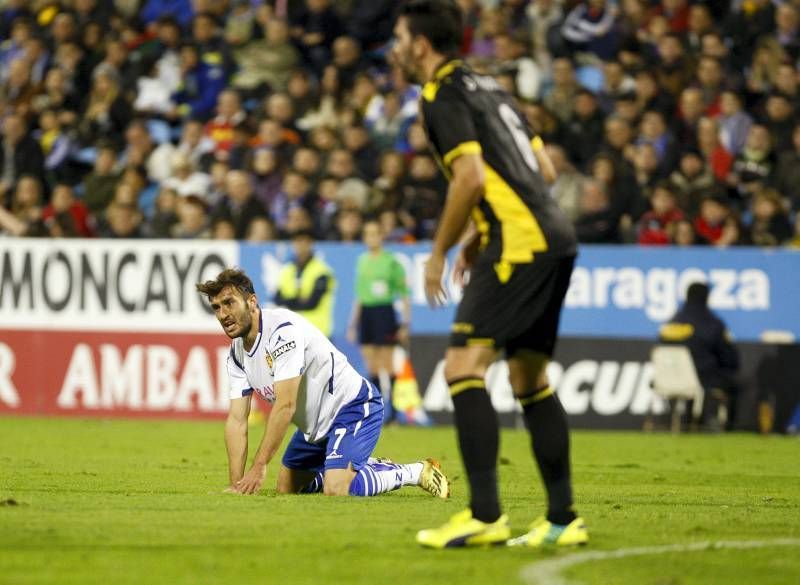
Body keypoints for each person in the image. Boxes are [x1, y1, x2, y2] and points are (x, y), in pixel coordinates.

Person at [392, 0, 586, 549]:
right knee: (528, 378)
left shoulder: (440, 94)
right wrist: (482, 234)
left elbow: (471, 178)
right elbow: (543, 169)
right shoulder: (493, 89)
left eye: (401, 38)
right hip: (554, 238)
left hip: (520, 244)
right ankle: (562, 518)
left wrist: (440, 251)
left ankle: (483, 514)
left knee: (461, 366)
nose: (396, 49)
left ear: (422, 45)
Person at [196, 268, 450, 498]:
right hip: (315, 428)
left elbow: (286, 405)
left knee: (336, 488)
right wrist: (237, 484)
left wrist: (259, 466)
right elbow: (237, 420)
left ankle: (414, 472)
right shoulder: (237, 353)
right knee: (287, 487)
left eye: (229, 303)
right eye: (216, 307)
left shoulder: (281, 331)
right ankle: (353, 465)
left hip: (352, 406)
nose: (223, 314)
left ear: (252, 302)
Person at [347, 219, 411, 423]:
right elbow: (359, 294)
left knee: (387, 363)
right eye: (367, 234)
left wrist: (405, 323)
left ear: (381, 236)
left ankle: (392, 410)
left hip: (384, 312)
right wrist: (353, 323)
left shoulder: (391, 262)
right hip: (367, 313)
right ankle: (378, 409)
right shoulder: (362, 261)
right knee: (371, 364)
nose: (371, 238)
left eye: (375, 233)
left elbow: (403, 294)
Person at [659, 282, 739, 430]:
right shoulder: (712, 324)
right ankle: (726, 427)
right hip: (703, 378)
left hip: (668, 378)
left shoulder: (671, 323)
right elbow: (730, 358)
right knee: (735, 384)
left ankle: (685, 420)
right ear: (707, 297)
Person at [274, 229, 336, 337]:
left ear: (311, 244)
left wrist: (288, 301)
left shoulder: (322, 271)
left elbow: (312, 303)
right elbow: (277, 298)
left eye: (304, 242)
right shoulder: (287, 270)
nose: (300, 246)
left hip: (318, 332)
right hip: (293, 332)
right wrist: (298, 301)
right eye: (297, 242)